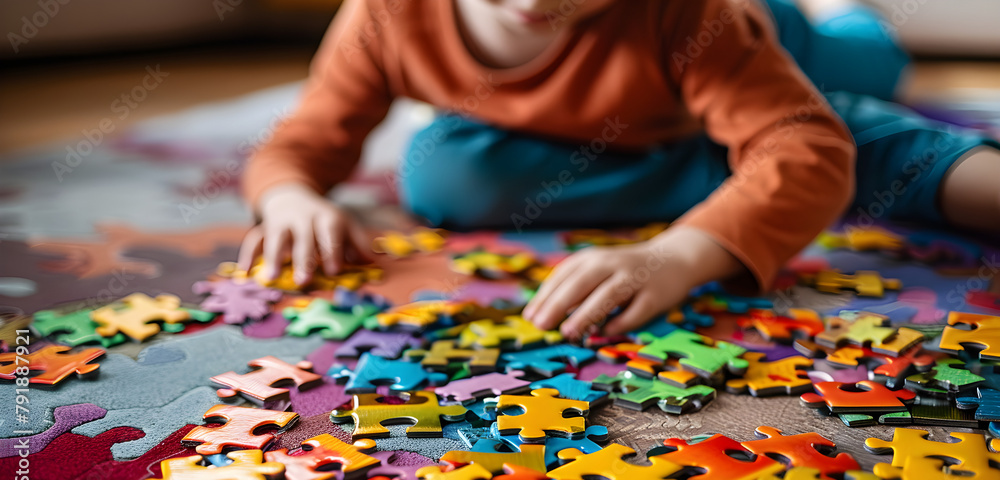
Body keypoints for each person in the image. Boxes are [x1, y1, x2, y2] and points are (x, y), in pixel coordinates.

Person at [238, 0, 1000, 338]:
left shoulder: (689, 11)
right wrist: (291, 198)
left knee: (860, 84)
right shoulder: (387, 14)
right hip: (624, 128)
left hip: (775, 40)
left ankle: (844, 18)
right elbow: (300, 141)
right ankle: (750, 165)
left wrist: (682, 252)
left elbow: (799, 145)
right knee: (442, 179)